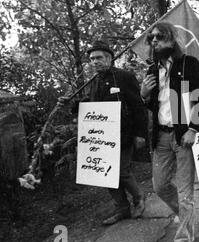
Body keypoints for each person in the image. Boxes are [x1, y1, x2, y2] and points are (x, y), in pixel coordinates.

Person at [59, 39, 148, 226]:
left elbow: (138, 106)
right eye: (92, 59)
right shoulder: (93, 82)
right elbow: (86, 105)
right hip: (100, 138)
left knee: (122, 172)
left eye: (99, 57)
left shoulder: (124, 77)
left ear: (109, 58)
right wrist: (69, 103)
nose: (95, 61)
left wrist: (141, 134)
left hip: (124, 134)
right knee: (104, 173)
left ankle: (139, 198)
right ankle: (122, 208)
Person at [140, 22, 199, 242]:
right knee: (160, 186)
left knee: (185, 191)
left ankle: (184, 236)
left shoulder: (188, 64)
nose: (154, 41)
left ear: (172, 40)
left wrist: (193, 129)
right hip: (161, 136)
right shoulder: (151, 70)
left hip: (182, 136)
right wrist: (144, 94)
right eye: (152, 38)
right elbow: (152, 105)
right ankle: (186, 215)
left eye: (160, 36)